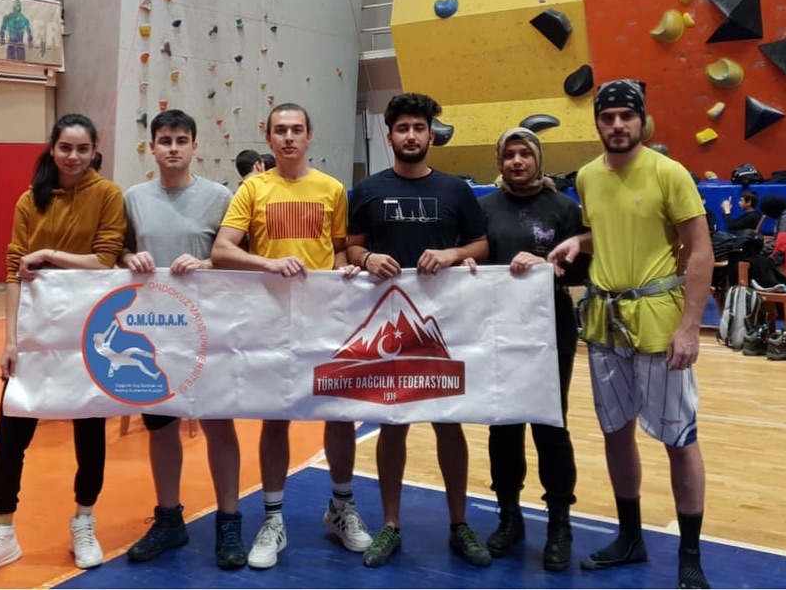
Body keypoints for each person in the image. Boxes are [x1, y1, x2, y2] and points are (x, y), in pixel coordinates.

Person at [547, 80, 714, 590]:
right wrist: (578, 241)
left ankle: (690, 554)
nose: (617, 125)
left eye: (626, 116)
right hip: (605, 325)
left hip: (660, 325)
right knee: (616, 433)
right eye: (608, 117)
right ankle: (630, 537)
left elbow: (700, 251)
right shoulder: (587, 177)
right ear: (597, 122)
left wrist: (690, 327)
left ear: (642, 120)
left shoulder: (669, 172)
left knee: (679, 439)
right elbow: (610, 230)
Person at [0, 114, 126, 582]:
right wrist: (11, 341)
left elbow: (105, 261)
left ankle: (83, 521)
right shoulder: (30, 199)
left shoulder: (108, 195)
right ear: (52, 149)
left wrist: (49, 256)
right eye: (65, 148)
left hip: (89, 333)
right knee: (12, 432)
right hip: (36, 334)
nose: (73, 157)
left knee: (89, 433)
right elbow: (14, 269)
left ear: (94, 151)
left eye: (82, 149)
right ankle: (2, 531)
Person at [211, 103, 371, 569]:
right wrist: (268, 263)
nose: (288, 137)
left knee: (339, 413)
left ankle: (341, 507)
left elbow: (339, 251)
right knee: (275, 416)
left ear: (309, 136)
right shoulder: (252, 189)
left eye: (296, 129)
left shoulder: (332, 189)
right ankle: (273, 519)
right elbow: (222, 250)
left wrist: (343, 270)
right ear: (268, 138)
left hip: (324, 318)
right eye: (279, 130)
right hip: (271, 320)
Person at [345, 92, 491, 569]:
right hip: (389, 323)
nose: (411, 135)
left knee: (449, 422)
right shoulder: (368, 189)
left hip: (444, 323)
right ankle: (390, 524)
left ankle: (459, 524)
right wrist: (367, 258)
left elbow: (482, 244)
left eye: (419, 128)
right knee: (392, 423)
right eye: (403, 128)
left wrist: (453, 254)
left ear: (431, 135)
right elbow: (351, 246)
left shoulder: (455, 190)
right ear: (390, 137)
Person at [120, 109, 246, 570]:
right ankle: (169, 518)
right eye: (165, 140)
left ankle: (229, 520)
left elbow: (240, 253)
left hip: (208, 330)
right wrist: (130, 257)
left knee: (219, 425)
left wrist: (208, 264)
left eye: (181, 140)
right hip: (155, 332)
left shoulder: (220, 196)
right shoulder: (134, 198)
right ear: (152, 147)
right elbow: (119, 248)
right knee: (161, 426)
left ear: (194, 146)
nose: (172, 148)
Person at [477, 127, 585, 571]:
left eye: (525, 153)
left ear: (538, 159)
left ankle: (559, 523)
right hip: (498, 329)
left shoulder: (564, 208)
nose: (517, 161)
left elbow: (582, 271)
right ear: (499, 161)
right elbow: (474, 261)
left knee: (550, 425)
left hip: (550, 329)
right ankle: (509, 518)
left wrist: (548, 266)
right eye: (509, 155)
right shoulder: (484, 208)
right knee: (503, 425)